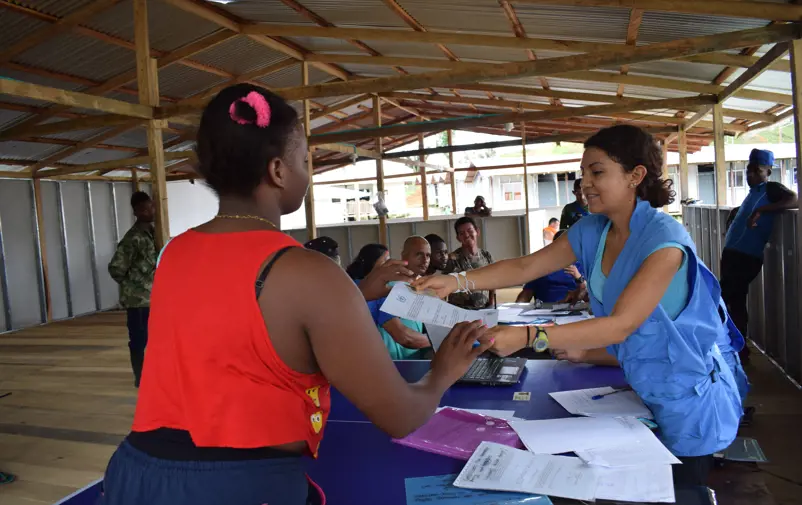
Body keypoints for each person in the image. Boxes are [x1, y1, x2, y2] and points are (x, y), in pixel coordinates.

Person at [100, 84, 492, 505]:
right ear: (278, 171)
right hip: (237, 489)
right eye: (304, 159)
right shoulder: (307, 271)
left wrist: (356, 294)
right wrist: (443, 372)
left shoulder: (174, 253)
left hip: (133, 476)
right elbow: (400, 416)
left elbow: (240, 327)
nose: (308, 170)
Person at [416, 125, 744, 487]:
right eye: (583, 172)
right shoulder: (594, 230)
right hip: (641, 385)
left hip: (687, 396)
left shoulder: (664, 241)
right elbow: (526, 266)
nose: (585, 182)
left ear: (635, 175)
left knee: (679, 490)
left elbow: (621, 325)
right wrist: (454, 281)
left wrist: (529, 335)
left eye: (597, 172)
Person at [721, 148, 798, 364]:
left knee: (731, 299)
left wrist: (763, 211)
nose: (750, 175)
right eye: (748, 170)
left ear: (768, 172)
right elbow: (752, 207)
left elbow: (794, 200)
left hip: (746, 256)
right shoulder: (753, 193)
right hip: (733, 254)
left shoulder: (771, 189)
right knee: (731, 299)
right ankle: (737, 346)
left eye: (757, 170)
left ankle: (739, 349)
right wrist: (739, 210)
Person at [108, 191, 156, 388]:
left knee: (155, 339)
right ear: (137, 212)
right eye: (146, 208)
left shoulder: (153, 233)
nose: (151, 211)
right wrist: (132, 286)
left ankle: (153, 374)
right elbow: (116, 268)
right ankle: (140, 377)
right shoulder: (133, 238)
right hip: (138, 301)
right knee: (138, 339)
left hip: (154, 298)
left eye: (151, 206)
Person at [375, 237, 433, 360]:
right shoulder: (388, 287)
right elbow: (405, 337)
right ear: (404, 255)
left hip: (415, 359)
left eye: (428, 255)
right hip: (391, 362)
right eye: (419, 254)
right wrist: (437, 340)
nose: (425, 260)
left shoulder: (423, 288)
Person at [516, 231, 584, 304]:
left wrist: (579, 278)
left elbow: (588, 293)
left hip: (573, 309)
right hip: (546, 309)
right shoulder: (541, 267)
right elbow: (527, 293)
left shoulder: (582, 267)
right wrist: (517, 309)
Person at [444, 217, 495, 309]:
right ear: (458, 238)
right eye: (462, 233)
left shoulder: (486, 256)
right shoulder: (452, 259)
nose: (466, 235)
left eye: (470, 230)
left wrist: (491, 304)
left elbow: (493, 282)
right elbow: (443, 285)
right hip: (460, 311)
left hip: (484, 309)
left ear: (477, 232)